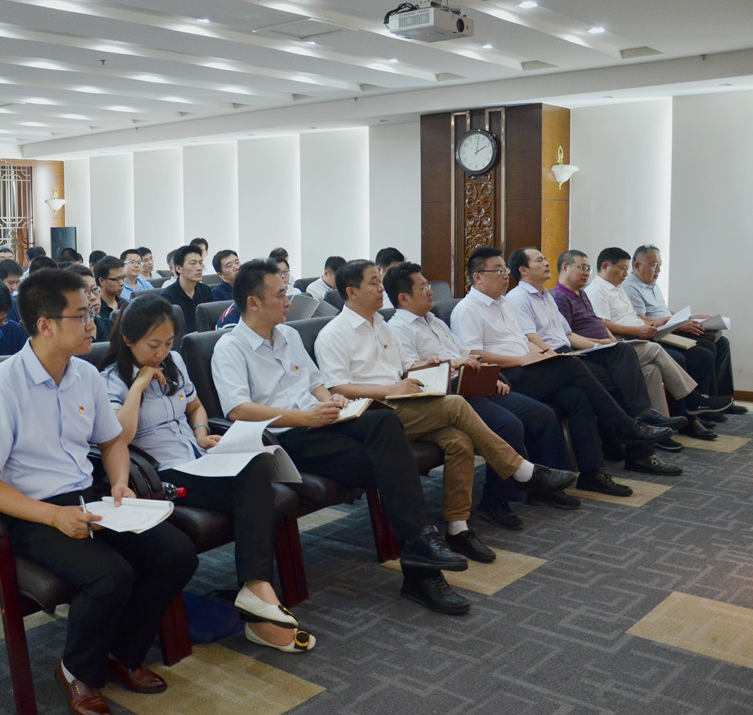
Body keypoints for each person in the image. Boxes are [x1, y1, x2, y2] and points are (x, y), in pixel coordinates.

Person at [0, 269, 198, 713]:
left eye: (92, 312)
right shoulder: (1, 387)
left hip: (87, 497)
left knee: (176, 553)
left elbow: (111, 440)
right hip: (28, 512)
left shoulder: (85, 376)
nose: (94, 324)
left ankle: (121, 654)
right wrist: (53, 516)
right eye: (82, 315)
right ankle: (77, 670)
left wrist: (118, 481)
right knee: (110, 577)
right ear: (45, 324)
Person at [212, 259, 471, 614]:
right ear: (253, 303)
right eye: (280, 295)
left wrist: (332, 401)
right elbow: (238, 410)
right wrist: (306, 416)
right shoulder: (229, 348)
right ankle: (421, 564)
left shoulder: (287, 335)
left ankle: (421, 548)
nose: (289, 302)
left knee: (384, 424)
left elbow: (316, 383)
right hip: (287, 440)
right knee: (392, 463)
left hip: (322, 421)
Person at [315, 260, 575, 562]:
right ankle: (522, 470)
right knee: (454, 403)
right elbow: (338, 389)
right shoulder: (334, 334)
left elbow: (401, 369)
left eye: (379, 280)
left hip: (403, 403)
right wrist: (391, 390)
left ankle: (458, 527)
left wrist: (428, 366)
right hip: (374, 414)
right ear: (351, 291)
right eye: (373, 282)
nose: (380, 287)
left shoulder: (381, 326)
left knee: (459, 441)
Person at [103, 296, 315, 651]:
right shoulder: (110, 379)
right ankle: (258, 591)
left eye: (168, 343)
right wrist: (138, 387)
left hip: (198, 459)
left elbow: (196, 406)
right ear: (128, 339)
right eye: (153, 345)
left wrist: (202, 432)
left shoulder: (174, 363)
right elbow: (118, 438)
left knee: (257, 464)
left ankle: (256, 591)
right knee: (255, 485)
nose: (162, 353)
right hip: (163, 474)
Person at [450, 247, 676, 493]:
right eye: (499, 271)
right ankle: (627, 426)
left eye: (505, 270)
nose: (506, 275)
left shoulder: (503, 303)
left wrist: (541, 354)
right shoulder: (467, 309)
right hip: (507, 376)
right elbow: (474, 355)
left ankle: (591, 473)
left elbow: (524, 338)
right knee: (573, 366)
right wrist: (523, 359)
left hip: (530, 365)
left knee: (577, 397)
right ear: (477, 277)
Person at [385, 262, 579, 527]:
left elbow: (468, 353)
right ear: (404, 298)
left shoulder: (435, 321)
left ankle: (544, 489)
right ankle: (496, 502)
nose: (431, 292)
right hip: (449, 394)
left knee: (542, 414)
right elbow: (411, 373)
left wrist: (493, 375)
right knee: (509, 426)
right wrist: (452, 364)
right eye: (423, 288)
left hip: (474, 384)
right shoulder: (398, 328)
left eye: (429, 286)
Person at [504, 247, 685, 461]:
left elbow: (568, 334)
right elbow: (530, 338)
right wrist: (556, 358)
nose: (546, 263)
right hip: (550, 360)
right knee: (616, 382)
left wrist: (599, 346)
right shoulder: (518, 298)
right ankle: (634, 440)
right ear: (523, 270)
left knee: (622, 351)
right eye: (539, 260)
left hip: (568, 354)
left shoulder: (546, 296)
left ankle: (640, 420)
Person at [553, 250, 727, 435]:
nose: (587, 272)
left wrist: (614, 340)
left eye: (588, 268)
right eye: (582, 268)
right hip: (599, 351)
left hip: (615, 345)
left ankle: (663, 429)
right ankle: (693, 399)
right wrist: (603, 344)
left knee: (652, 370)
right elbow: (568, 336)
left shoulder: (582, 294)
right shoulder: (566, 296)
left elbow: (598, 323)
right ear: (565, 267)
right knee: (656, 349)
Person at [623, 244, 743, 411]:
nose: (657, 270)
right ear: (637, 265)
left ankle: (722, 398)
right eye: (653, 265)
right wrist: (680, 324)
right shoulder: (630, 288)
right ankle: (703, 403)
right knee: (706, 349)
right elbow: (642, 320)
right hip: (660, 334)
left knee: (722, 343)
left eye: (660, 264)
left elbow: (663, 311)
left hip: (672, 328)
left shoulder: (652, 284)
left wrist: (689, 317)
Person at [160, 244, 213, 334]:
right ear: (179, 268)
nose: (199, 268)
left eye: (200, 263)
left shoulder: (206, 291)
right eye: (193, 264)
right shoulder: (168, 296)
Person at [93, 255, 127, 324]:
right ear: (102, 281)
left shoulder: (125, 305)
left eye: (123, 278)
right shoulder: (96, 310)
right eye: (117, 279)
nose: (122, 283)